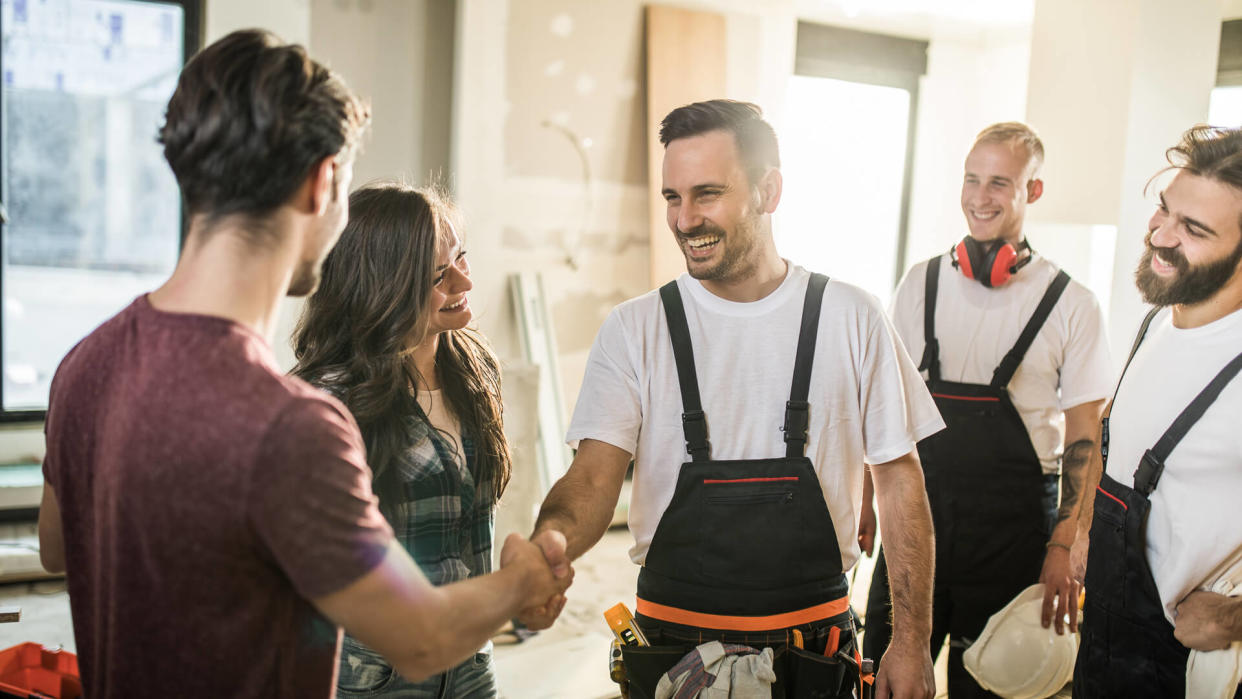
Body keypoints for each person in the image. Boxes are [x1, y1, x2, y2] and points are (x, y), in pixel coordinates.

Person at [36, 30, 567, 699]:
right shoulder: (293, 424)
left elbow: (57, 550)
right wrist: (521, 579)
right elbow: (421, 636)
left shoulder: (83, 365)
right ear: (324, 184)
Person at [527, 99, 943, 699]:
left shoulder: (852, 318)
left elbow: (901, 481)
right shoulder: (635, 328)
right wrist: (553, 543)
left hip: (815, 650)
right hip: (673, 654)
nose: (685, 219)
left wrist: (910, 641)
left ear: (768, 190)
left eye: (707, 193)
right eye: (673, 197)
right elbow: (593, 476)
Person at [861, 122, 1111, 697]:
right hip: (915, 522)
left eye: (1000, 182)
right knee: (886, 676)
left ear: (1033, 192)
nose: (980, 197)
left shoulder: (1071, 304)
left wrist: (1064, 545)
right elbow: (885, 403)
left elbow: (1084, 436)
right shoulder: (919, 283)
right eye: (972, 180)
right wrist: (867, 497)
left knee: (993, 685)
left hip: (1013, 535)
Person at [292, 183, 520, 697]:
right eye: (439, 275)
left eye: (461, 257)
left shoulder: (474, 371)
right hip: (374, 675)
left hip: (469, 661)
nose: (464, 280)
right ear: (384, 285)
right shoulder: (327, 403)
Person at [1073, 125, 1242, 698]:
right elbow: (1112, 428)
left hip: (1182, 670)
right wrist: (1079, 533)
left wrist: (1231, 620)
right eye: (1164, 211)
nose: (1161, 235)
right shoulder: (1157, 319)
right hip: (1102, 643)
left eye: (1193, 229)